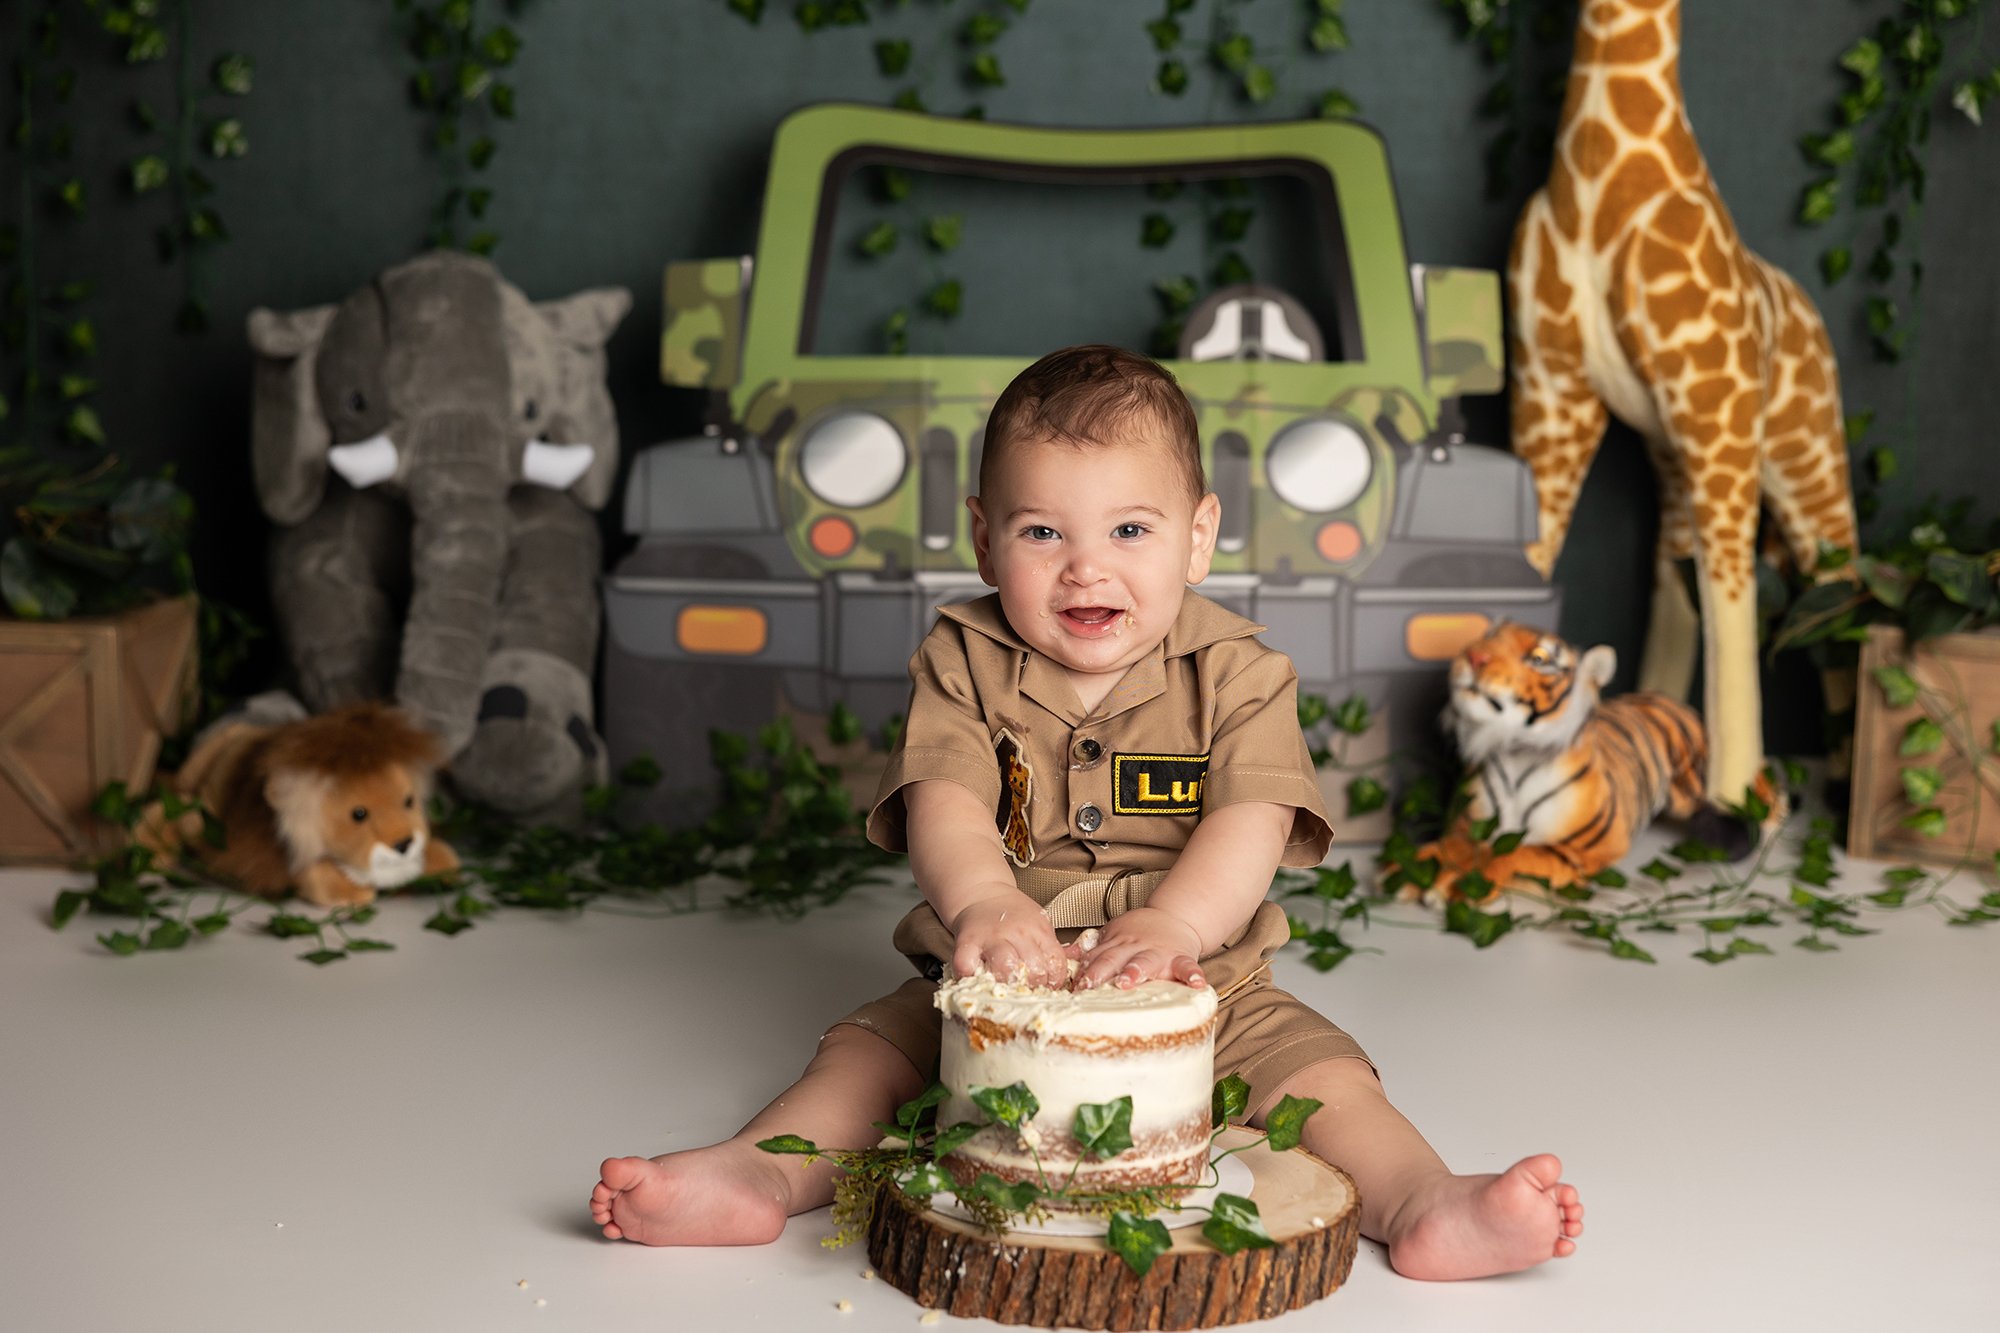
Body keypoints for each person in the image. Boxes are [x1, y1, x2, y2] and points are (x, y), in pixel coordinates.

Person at [591, 345, 1584, 1280]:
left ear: (1197, 535)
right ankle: (759, 1171)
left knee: (1319, 1076)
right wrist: (981, 900)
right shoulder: (961, 660)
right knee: (867, 1057)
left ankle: (1421, 1202)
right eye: (1040, 532)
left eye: (1128, 530)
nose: (1084, 566)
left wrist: (1172, 925)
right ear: (983, 535)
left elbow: (1252, 818)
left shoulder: (1238, 673)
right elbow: (947, 797)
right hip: (990, 985)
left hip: (1203, 986)